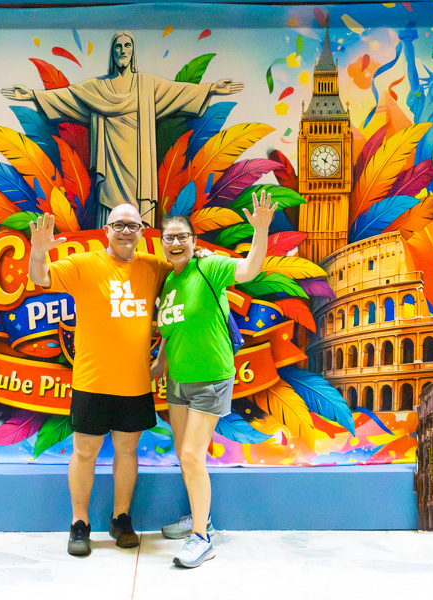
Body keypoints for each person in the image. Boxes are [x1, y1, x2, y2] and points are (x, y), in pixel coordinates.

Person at [28, 204, 170, 556]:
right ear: (106, 230)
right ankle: (80, 524)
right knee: (85, 451)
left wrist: (202, 255)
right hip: (91, 381)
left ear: (142, 232)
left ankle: (121, 518)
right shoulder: (83, 264)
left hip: (135, 383)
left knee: (128, 450)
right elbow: (41, 277)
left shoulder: (155, 267)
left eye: (132, 225)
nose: (125, 231)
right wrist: (38, 250)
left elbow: (185, 289)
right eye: (118, 225)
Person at [151, 191, 277, 568]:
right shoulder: (168, 284)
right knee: (184, 454)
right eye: (168, 237)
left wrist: (261, 230)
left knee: (192, 454)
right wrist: (160, 362)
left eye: (181, 236)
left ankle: (202, 539)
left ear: (193, 241)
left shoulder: (210, 267)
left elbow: (248, 270)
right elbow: (173, 329)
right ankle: (200, 516)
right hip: (178, 381)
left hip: (211, 378)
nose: (175, 243)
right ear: (162, 244)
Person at [2, 31, 243, 226]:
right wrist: (32, 94)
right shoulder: (99, 87)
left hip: (140, 164)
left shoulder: (146, 84)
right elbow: (70, 96)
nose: (123, 51)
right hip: (110, 163)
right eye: (118, 47)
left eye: (127, 46)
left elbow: (178, 91)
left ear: (133, 52)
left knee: (140, 209)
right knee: (110, 209)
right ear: (113, 52)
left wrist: (212, 88)